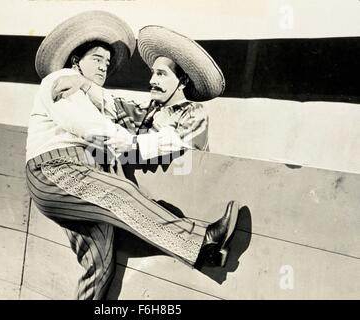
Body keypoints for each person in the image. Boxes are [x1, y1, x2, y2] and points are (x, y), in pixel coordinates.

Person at [26, 12, 239, 300]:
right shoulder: (63, 78)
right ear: (75, 60)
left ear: (183, 82)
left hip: (75, 176)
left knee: (99, 264)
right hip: (58, 168)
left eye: (106, 62)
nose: (103, 67)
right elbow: (92, 129)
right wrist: (134, 143)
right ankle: (204, 242)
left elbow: (117, 111)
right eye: (96, 59)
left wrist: (90, 88)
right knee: (121, 194)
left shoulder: (93, 94)